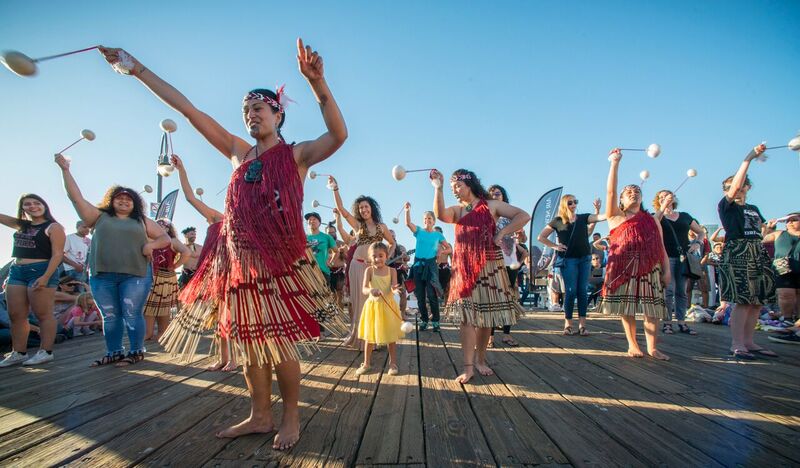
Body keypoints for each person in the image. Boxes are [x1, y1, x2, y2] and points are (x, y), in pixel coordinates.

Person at [99, 38, 347, 449]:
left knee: (278, 340)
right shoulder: (237, 153)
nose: (251, 115)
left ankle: (290, 417)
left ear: (278, 114)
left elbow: (338, 134)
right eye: (246, 110)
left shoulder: (297, 155)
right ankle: (259, 414)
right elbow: (189, 110)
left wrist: (318, 85)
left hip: (278, 262)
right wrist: (136, 68)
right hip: (237, 263)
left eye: (259, 109)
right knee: (248, 343)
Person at [56, 155, 170, 367]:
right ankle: (114, 352)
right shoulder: (98, 216)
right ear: (111, 200)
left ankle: (136, 351)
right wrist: (65, 170)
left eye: (129, 199)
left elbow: (165, 238)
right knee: (110, 316)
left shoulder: (142, 220)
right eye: (119, 198)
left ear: (135, 203)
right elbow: (76, 198)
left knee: (132, 314)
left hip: (135, 275)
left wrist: (150, 246)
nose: (124, 201)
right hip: (102, 275)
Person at [431, 168, 529, 384]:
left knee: (486, 318)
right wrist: (438, 188)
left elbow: (523, 216)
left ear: (470, 184)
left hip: (489, 266)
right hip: (464, 267)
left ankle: (480, 360)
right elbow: (440, 214)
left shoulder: (491, 205)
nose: (455, 190)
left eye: (457, 186)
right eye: (452, 187)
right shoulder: (458, 211)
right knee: (467, 318)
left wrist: (502, 233)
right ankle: (468, 367)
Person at [161, 154, 237, 372]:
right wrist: (182, 170)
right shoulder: (217, 217)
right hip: (215, 272)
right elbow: (189, 198)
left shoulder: (240, 221)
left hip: (235, 272)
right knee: (218, 315)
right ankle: (224, 357)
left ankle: (233, 358)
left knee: (231, 315)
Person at [602, 149, 670, 360]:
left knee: (652, 308)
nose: (633, 193)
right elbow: (610, 192)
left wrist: (667, 270)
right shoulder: (615, 216)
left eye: (636, 191)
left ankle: (652, 347)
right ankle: (632, 344)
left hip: (651, 267)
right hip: (624, 266)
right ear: (621, 200)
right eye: (628, 192)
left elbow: (661, 247)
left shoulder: (652, 220)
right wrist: (614, 163)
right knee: (628, 306)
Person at [717, 143, 778, 360]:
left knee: (757, 300)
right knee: (742, 299)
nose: (734, 188)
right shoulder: (726, 206)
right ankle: (737, 343)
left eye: (741, 184)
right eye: (730, 186)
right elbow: (734, 190)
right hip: (738, 250)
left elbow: (761, 231)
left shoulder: (753, 209)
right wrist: (749, 158)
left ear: (748, 187)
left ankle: (749, 341)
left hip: (757, 251)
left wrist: (768, 228)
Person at [329, 177, 396, 348]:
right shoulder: (358, 225)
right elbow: (342, 210)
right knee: (358, 303)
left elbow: (392, 243)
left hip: (373, 269)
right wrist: (335, 189)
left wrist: (385, 258)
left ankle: (375, 337)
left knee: (374, 303)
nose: (364, 209)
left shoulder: (382, 227)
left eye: (366, 206)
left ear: (372, 208)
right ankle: (358, 336)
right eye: (361, 207)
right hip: (357, 266)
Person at [0, 194, 65, 367]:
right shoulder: (22, 225)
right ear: (22, 208)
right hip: (17, 270)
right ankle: (18, 352)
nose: (32, 206)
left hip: (41, 269)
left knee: (43, 313)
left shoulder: (53, 226)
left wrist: (45, 277)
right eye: (27, 204)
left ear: (44, 205)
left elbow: (58, 254)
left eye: (37, 203)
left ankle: (46, 351)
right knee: (16, 315)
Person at [537, 195, 606, 336]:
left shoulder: (582, 218)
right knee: (571, 290)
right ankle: (568, 324)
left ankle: (582, 326)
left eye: (576, 201)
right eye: (570, 202)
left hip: (585, 258)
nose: (574, 204)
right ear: (564, 204)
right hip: (568, 260)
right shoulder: (557, 221)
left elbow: (599, 220)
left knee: (582, 290)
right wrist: (555, 246)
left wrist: (597, 210)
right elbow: (541, 237)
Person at [652, 190, 706, 335]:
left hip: (683, 257)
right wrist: (663, 207)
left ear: (674, 198)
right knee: (668, 291)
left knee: (681, 291)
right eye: (661, 197)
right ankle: (667, 323)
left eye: (667, 196)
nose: (665, 198)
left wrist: (697, 243)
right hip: (666, 257)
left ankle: (682, 323)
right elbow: (652, 224)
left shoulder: (685, 216)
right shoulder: (657, 216)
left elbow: (701, 232)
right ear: (658, 200)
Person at [355, 242, 405, 376]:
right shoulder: (369, 270)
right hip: (373, 307)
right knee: (369, 336)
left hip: (388, 306)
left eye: (381, 255)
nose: (378, 259)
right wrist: (371, 290)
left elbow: (394, 286)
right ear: (370, 257)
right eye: (374, 256)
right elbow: (364, 289)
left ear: (386, 256)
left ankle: (393, 363)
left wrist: (395, 290)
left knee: (391, 336)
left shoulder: (392, 271)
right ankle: (366, 363)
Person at [143, 218, 190, 341]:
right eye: (157, 225)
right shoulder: (148, 239)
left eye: (163, 226)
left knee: (163, 306)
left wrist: (175, 266)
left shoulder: (172, 241)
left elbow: (186, 252)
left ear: (168, 229)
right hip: (149, 275)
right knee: (148, 306)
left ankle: (162, 332)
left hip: (165, 276)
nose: (159, 228)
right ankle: (148, 333)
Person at [404, 203, 445, 331]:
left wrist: (441, 251)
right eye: (425, 219)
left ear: (434, 221)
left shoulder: (438, 235)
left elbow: (448, 247)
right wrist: (407, 210)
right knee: (420, 296)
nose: (427, 221)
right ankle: (424, 320)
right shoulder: (419, 231)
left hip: (431, 266)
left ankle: (436, 322)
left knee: (432, 295)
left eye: (429, 219)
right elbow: (408, 223)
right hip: (417, 266)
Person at [762, 213, 800, 326]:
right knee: (785, 293)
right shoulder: (779, 234)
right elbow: (763, 239)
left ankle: (798, 321)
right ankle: (787, 319)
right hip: (783, 268)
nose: (790, 222)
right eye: (788, 221)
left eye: (794, 220)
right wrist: (769, 227)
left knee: (798, 293)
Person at [305, 212, 337, 286]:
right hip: (308, 272)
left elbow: (336, 251)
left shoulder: (326, 237)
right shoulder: (304, 238)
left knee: (324, 295)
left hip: (323, 271)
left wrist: (331, 262)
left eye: (314, 219)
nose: (311, 221)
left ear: (319, 222)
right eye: (309, 220)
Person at [434, 226, 453, 305]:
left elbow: (453, 258)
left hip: (445, 268)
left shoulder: (448, 245)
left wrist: (453, 269)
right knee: (434, 291)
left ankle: (446, 309)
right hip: (435, 269)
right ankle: (433, 311)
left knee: (447, 290)